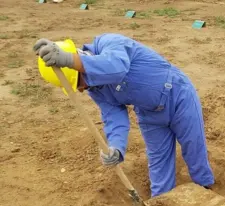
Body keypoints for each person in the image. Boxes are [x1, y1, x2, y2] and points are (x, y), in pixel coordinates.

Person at [33, 34, 215, 197]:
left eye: (79, 82)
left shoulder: (110, 42)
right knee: (158, 164)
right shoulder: (95, 89)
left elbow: (116, 67)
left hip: (178, 96)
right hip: (149, 114)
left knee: (193, 147)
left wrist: (69, 60)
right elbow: (113, 115)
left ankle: (205, 189)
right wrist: (116, 147)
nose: (81, 89)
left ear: (78, 62)